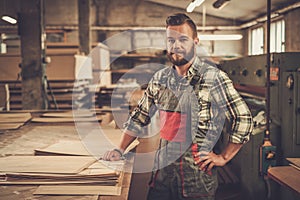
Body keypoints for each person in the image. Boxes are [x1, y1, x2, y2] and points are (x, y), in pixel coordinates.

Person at [103, 13, 253, 200]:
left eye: (183, 39)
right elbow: (139, 116)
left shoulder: (213, 78)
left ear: (195, 41)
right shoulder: (160, 79)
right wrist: (119, 149)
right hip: (162, 179)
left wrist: (223, 157)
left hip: (196, 182)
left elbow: (244, 118)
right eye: (170, 40)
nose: (177, 45)